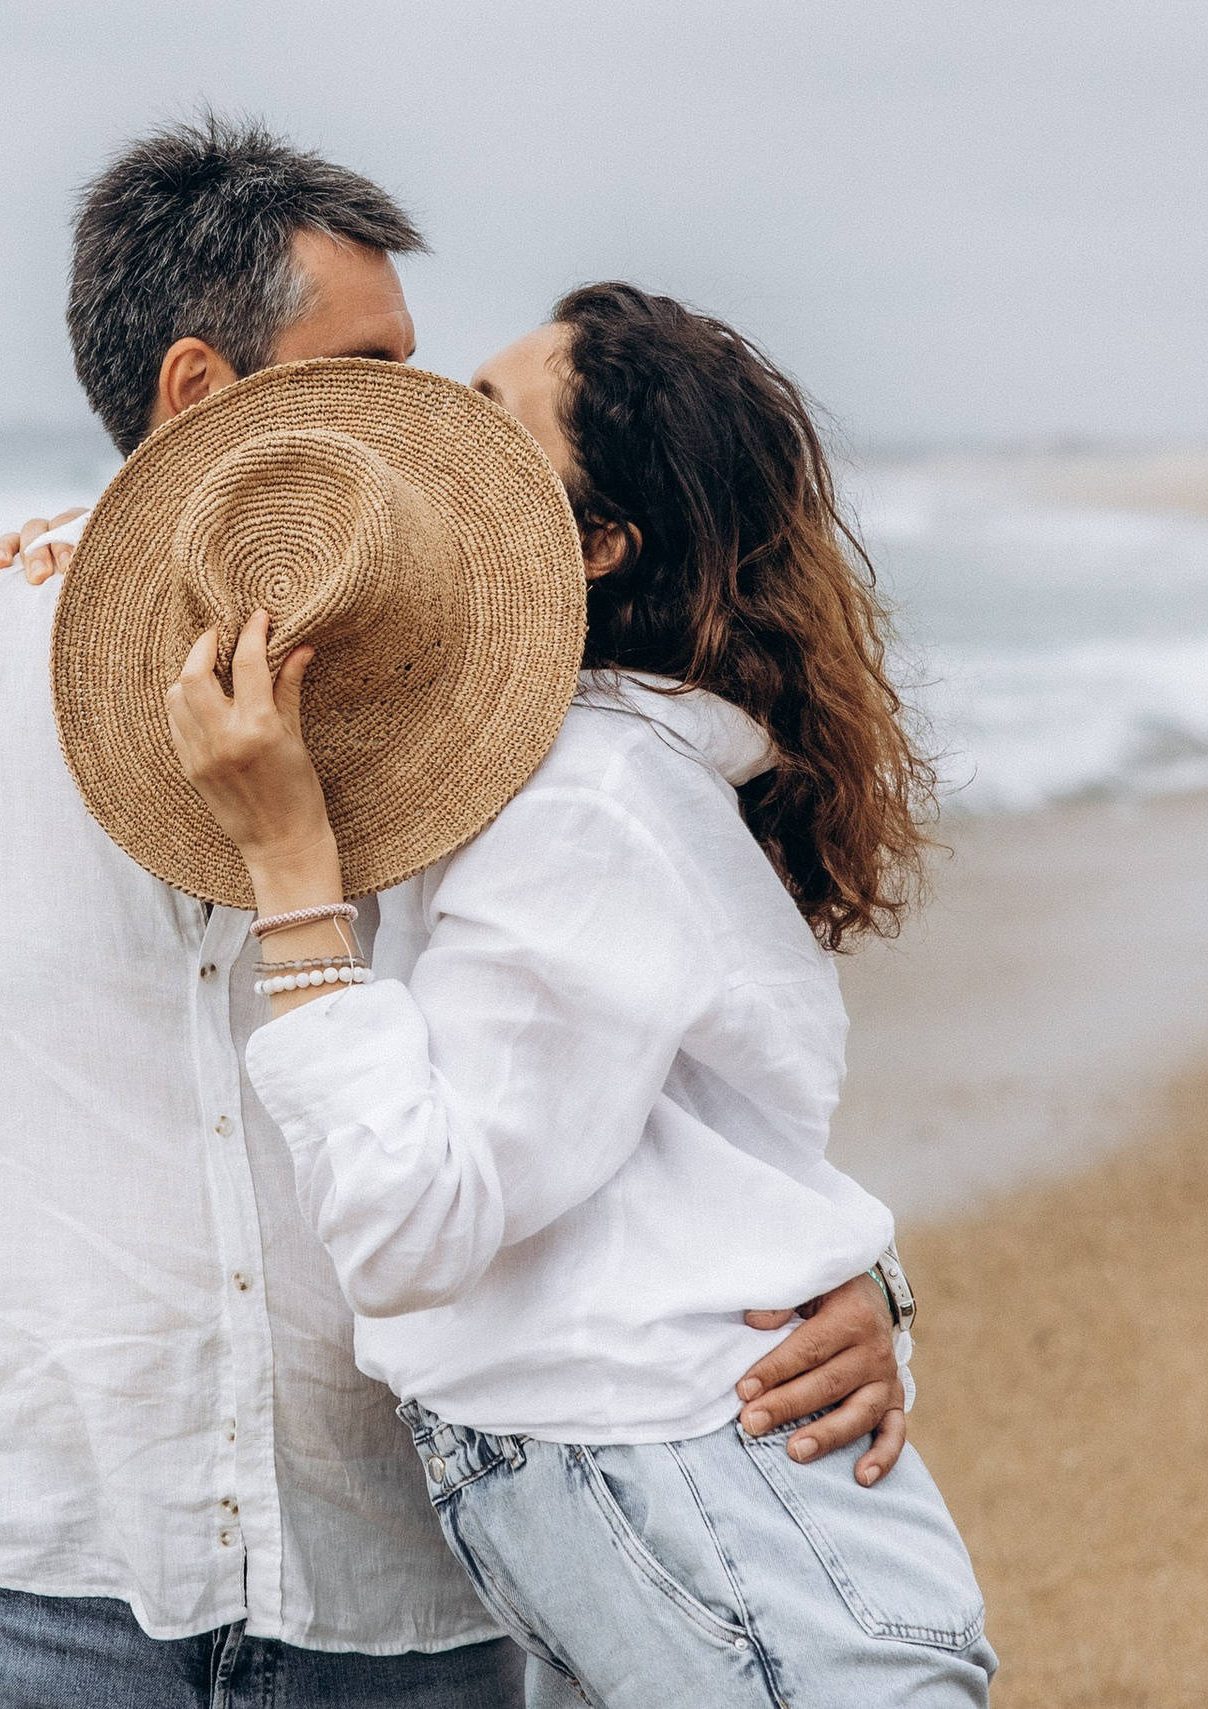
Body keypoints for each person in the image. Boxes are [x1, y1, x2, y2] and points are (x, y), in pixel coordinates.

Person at [0, 117, 913, 1709]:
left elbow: (681, 1054)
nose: (415, 413)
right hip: (23, 1577)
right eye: (370, 366)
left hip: (410, 1586)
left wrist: (857, 1279)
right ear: (201, 393)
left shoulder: (501, 713)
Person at [133, 283, 994, 1704]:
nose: (429, 442)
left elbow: (417, 1221)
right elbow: (706, 1149)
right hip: (680, 1515)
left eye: (486, 418)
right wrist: (102, 557)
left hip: (706, 1524)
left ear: (595, 545)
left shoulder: (589, 798)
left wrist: (291, 866)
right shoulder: (549, 768)